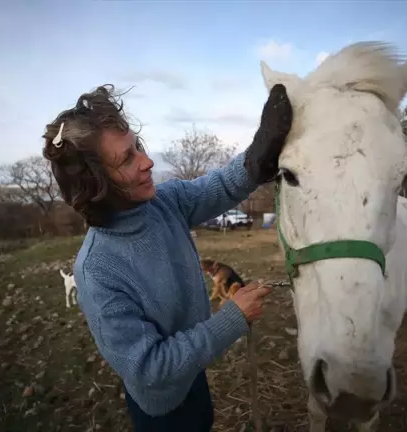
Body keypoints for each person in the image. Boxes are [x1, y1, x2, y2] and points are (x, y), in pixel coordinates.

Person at [42, 83, 293, 432]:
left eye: (138, 147)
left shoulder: (163, 201)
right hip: (162, 410)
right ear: (96, 185)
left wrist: (259, 156)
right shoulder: (97, 271)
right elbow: (151, 369)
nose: (148, 162)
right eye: (127, 158)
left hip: (193, 375)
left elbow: (220, 186)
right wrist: (233, 317)